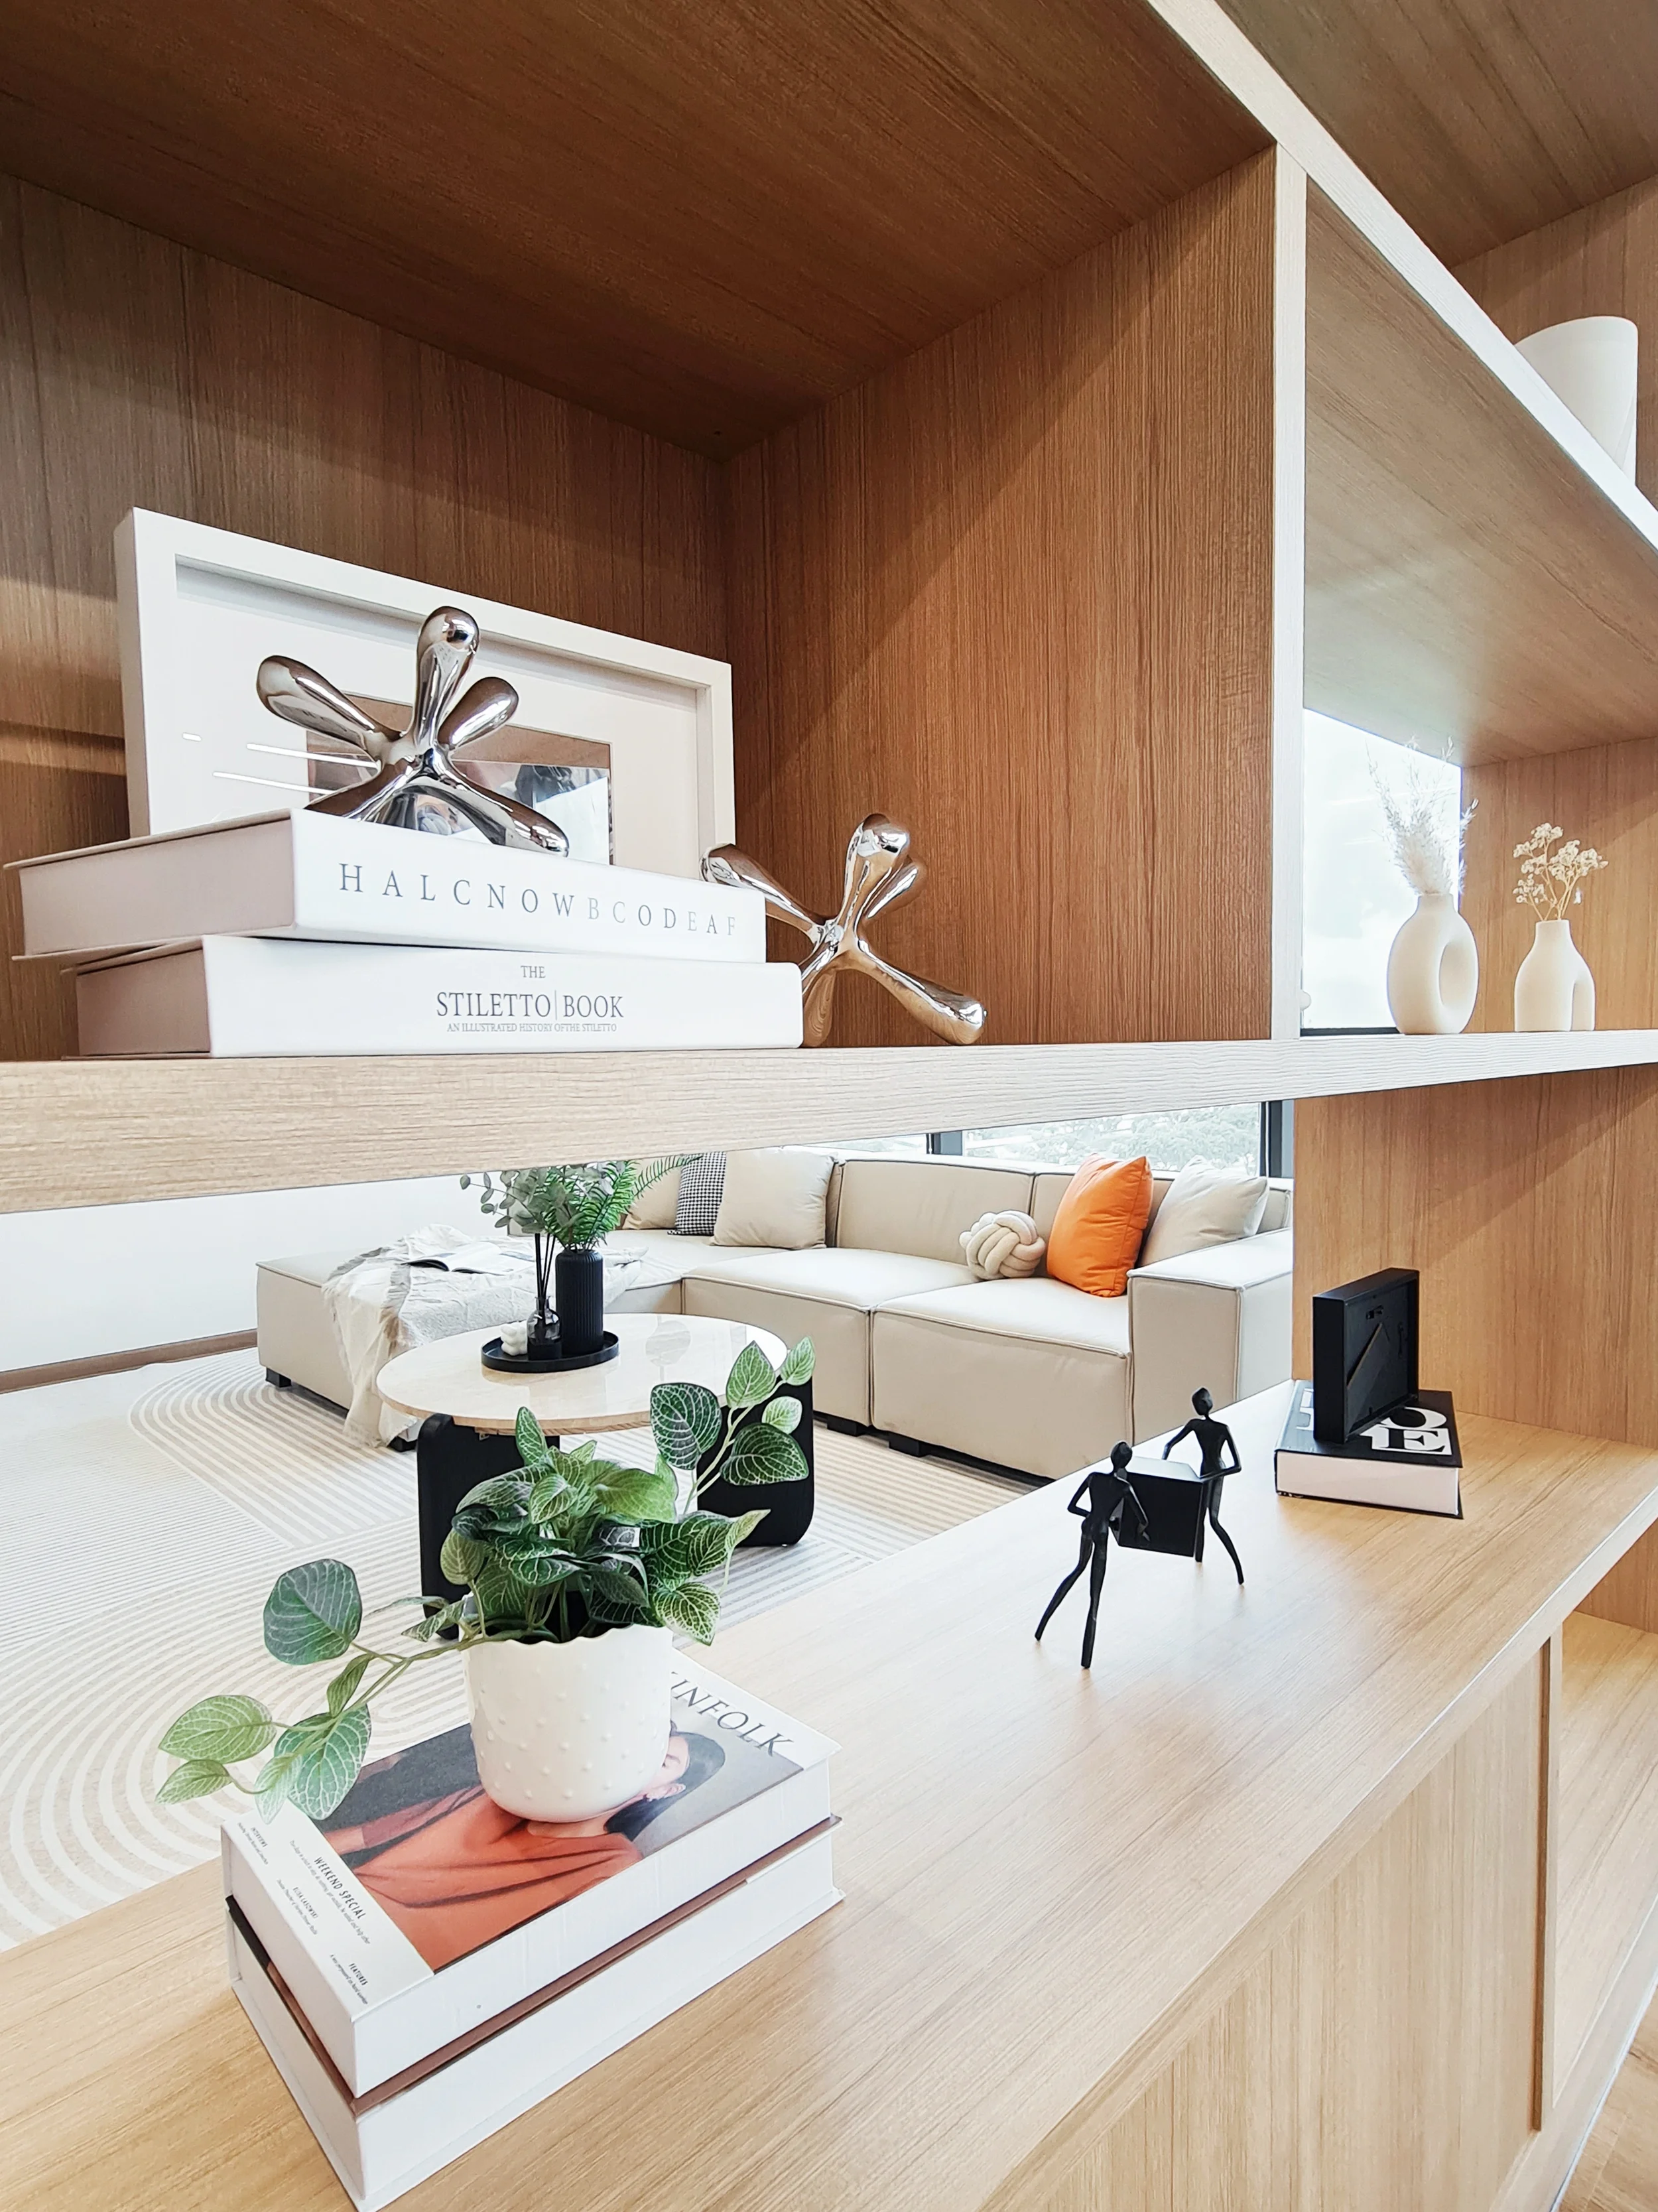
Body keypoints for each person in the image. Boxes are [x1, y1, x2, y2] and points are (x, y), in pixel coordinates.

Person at [322, 1728, 724, 1971]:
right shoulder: (517, 1790)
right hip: (340, 1910)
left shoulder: (614, 1866)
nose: (643, 1761)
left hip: (397, 1969)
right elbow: (366, 1835)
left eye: (665, 1762)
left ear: (667, 1790)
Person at [1034, 1442, 1149, 1668]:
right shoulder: (1124, 1487)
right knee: (1094, 1598)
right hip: (1103, 1532)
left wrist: (1094, 1515)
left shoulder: (1094, 1477)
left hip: (1088, 1527)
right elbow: (1143, 1520)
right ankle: (1086, 1659)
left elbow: (1073, 1507)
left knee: (1077, 1570)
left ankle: (1041, 1627)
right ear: (1126, 1463)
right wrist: (1138, 1532)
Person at [1162, 1386, 1245, 1584]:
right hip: (1205, 1472)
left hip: (1214, 1473)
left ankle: (1238, 1570)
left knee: (1214, 1521)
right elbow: (1169, 1444)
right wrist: (1163, 1463)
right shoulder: (1196, 1425)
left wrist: (1214, 1475)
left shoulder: (1221, 1429)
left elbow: (1237, 1466)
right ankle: (1198, 1560)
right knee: (1198, 1519)